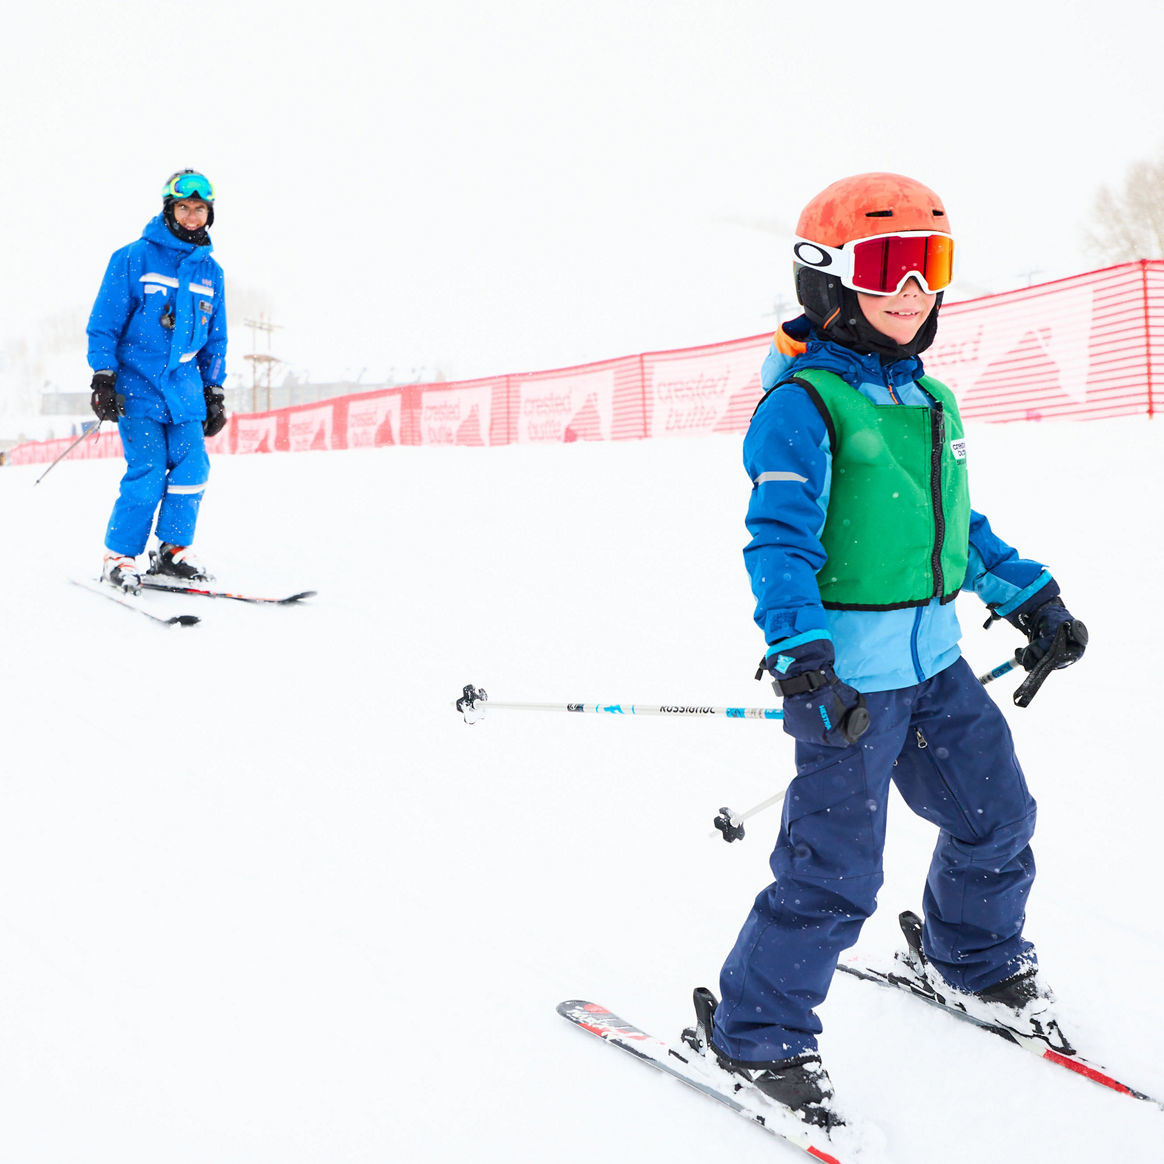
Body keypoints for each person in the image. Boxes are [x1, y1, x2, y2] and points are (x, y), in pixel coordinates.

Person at [686, 173, 1088, 1129]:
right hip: (848, 686)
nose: (914, 291)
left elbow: (953, 526)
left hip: (936, 667)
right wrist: (802, 657)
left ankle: (973, 959)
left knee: (997, 817)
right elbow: (779, 540)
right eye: (888, 266)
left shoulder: (930, 401)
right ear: (827, 281)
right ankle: (759, 1034)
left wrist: (1028, 595)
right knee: (834, 870)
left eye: (930, 266)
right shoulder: (805, 406)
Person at [87, 169, 228, 591]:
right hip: (138, 389)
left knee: (193, 468)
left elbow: (215, 337)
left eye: (199, 208)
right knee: (147, 472)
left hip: (184, 393)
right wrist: (103, 378)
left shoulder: (212, 272)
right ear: (169, 209)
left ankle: (172, 550)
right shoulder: (133, 258)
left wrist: (213, 390)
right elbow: (105, 322)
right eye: (183, 207)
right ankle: (120, 555)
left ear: (209, 214)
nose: (191, 215)